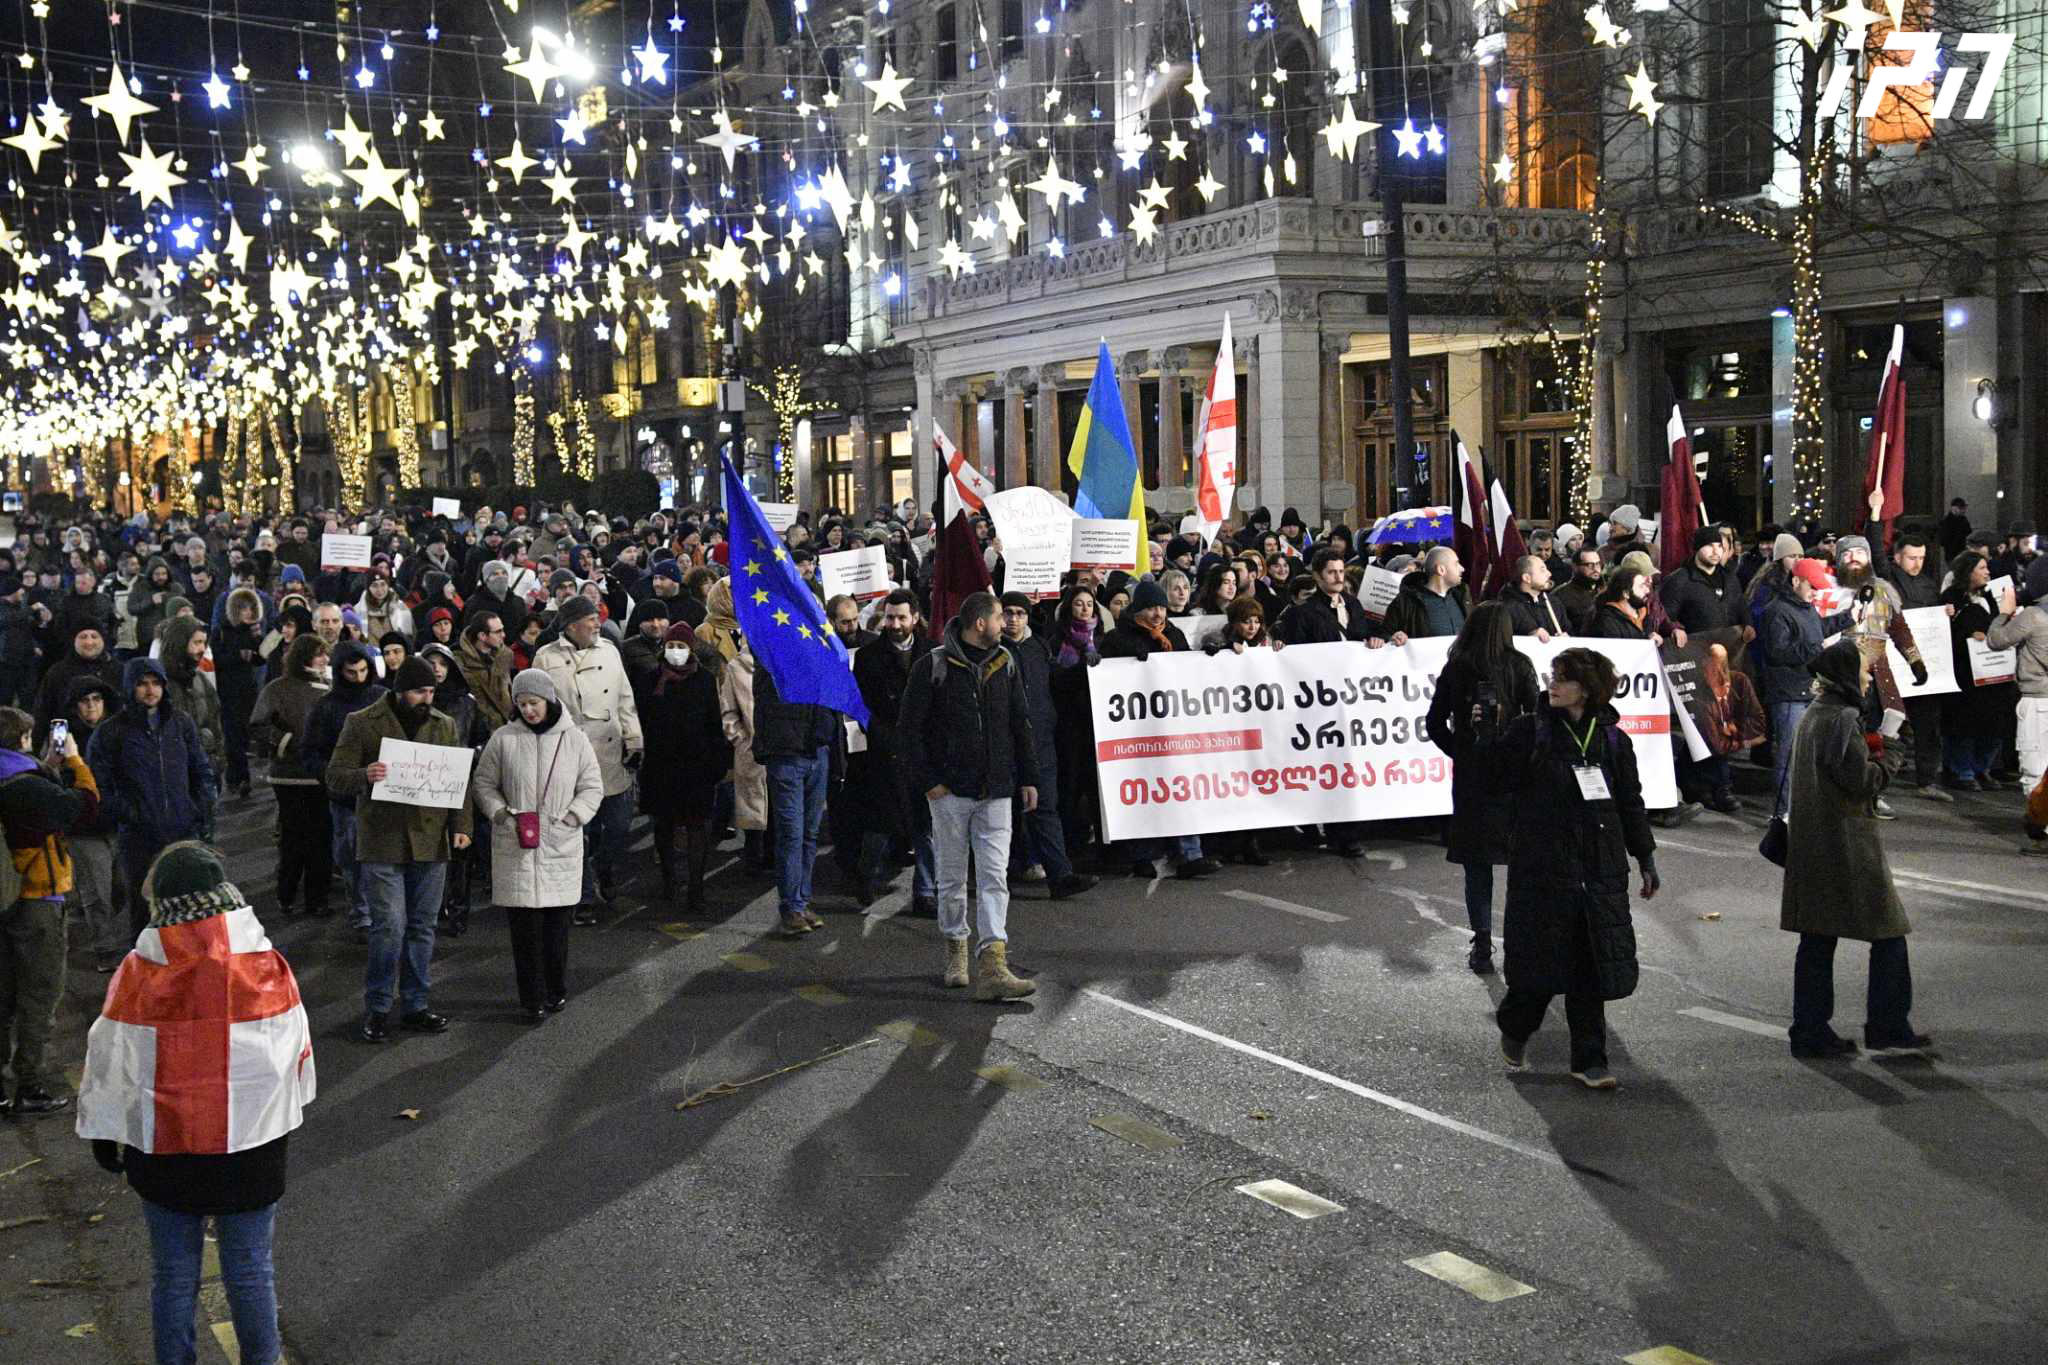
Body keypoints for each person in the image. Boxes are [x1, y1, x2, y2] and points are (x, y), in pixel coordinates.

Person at [75, 843, 312, 1365]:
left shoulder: (138, 971)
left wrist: (104, 1130)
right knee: (251, 1271)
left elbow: (110, 1055)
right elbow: (292, 1053)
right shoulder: (267, 966)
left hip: (166, 1149)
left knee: (174, 1277)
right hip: (251, 1147)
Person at [1480, 647, 1658, 1089]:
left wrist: (1645, 857)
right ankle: (1516, 1025)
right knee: (1540, 967)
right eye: (1551, 676)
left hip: (1598, 866)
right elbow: (1493, 780)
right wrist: (1484, 733)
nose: (1551, 685)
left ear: (1588, 688)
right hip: (1544, 866)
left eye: (1562, 678)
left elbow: (1630, 803)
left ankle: (1590, 1060)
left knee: (1590, 964)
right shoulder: (1530, 732)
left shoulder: (1613, 739)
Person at [1780, 641, 1928, 1058]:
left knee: (1818, 938)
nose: (1868, 679)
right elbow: (1862, 780)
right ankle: (1887, 1025)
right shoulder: (1843, 718)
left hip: (1814, 843)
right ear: (1846, 676)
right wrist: (1893, 748)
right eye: (1863, 672)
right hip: (1846, 844)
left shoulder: (1815, 714)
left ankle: (1809, 1030)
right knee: (1889, 932)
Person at [900, 593, 1040, 1000]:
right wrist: (931, 782)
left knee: (996, 876)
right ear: (980, 623)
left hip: (997, 790)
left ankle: (993, 962)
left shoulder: (1006, 662)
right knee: (952, 877)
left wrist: (1027, 776)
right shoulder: (934, 665)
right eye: (1000, 617)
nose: (1006, 623)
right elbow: (909, 732)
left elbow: (1020, 722)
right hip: (950, 794)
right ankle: (955, 951)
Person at [327, 656, 474, 1043]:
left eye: (431, 691)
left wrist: (461, 826)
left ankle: (415, 1004)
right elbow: (334, 776)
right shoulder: (361, 723)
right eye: (419, 691)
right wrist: (364, 775)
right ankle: (377, 1007)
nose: (427, 697)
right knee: (389, 927)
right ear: (399, 691)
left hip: (429, 840)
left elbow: (458, 780)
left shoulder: (444, 725)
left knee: (422, 926)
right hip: (383, 839)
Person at [471, 670, 604, 1022]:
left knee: (556, 930)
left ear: (549, 700)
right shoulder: (503, 739)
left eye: (534, 703)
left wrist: (574, 816)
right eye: (522, 704)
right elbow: (484, 784)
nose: (528, 710)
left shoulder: (574, 739)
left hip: (560, 843)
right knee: (524, 933)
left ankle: (555, 989)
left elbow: (592, 786)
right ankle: (531, 998)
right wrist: (501, 814)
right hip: (516, 843)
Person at [0, 706, 101, 1117]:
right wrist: (73, 760)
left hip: (4, 898)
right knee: (39, 995)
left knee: (3, 994)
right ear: (21, 738)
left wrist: (46, 766)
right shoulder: (27, 787)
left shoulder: (18, 779)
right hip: (37, 899)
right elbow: (86, 805)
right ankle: (31, 1084)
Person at [1427, 603, 1539, 975]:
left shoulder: (1457, 666)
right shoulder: (1519, 665)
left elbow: (1434, 721)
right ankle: (1522, 940)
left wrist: (1460, 747)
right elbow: (1537, 718)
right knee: (1520, 863)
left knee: (1478, 867)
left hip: (1473, 775)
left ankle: (1482, 940)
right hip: (1512, 776)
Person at [1098, 580, 1221, 878]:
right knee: (1144, 792)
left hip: (1174, 727)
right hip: (1137, 731)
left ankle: (1190, 854)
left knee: (1181, 788)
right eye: (1152, 608)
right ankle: (1142, 855)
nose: (1158, 614)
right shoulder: (1118, 639)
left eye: (1162, 608)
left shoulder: (1174, 634)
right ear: (1138, 609)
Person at [88, 657, 215, 942]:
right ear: (130, 687)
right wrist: (133, 814)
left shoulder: (180, 723)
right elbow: (99, 787)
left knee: (189, 907)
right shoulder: (110, 732)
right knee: (144, 911)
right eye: (142, 684)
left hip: (183, 830)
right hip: (139, 837)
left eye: (156, 683)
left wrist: (200, 808)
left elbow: (200, 768)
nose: (150, 690)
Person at [533, 595, 642, 924]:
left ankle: (602, 866)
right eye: (591, 619)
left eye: (598, 618)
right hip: (569, 755)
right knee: (578, 830)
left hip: (610, 752)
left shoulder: (610, 651)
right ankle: (583, 896)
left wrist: (634, 738)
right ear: (571, 625)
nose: (597, 624)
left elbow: (625, 698)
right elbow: (537, 707)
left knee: (619, 825)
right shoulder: (545, 658)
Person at [998, 592, 1096, 899]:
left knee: (1045, 809)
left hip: (1040, 743)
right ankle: (1000, 876)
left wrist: (1084, 669)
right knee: (1004, 815)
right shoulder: (991, 650)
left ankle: (1060, 876)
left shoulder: (1037, 646)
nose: (1013, 619)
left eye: (1019, 613)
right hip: (1004, 745)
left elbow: (1057, 681)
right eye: (1008, 613)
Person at [748, 631, 846, 937]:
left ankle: (801, 901)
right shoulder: (772, 660)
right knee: (792, 834)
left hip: (817, 751)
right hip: (788, 756)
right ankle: (790, 906)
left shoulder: (820, 655)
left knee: (809, 834)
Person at [849, 590, 938, 914]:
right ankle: (867, 877)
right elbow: (862, 708)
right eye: (890, 617)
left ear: (915, 618)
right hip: (885, 753)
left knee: (926, 827)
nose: (895, 624)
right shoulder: (869, 656)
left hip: (923, 754)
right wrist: (884, 737)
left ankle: (925, 892)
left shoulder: (932, 653)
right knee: (881, 825)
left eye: (901, 617)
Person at [634, 623, 729, 910]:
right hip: (661, 767)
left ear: (691, 649)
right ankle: (668, 881)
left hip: (696, 767)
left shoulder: (704, 680)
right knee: (663, 825)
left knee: (697, 826)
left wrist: (717, 763)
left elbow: (714, 724)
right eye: (671, 646)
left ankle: (696, 887)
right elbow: (642, 720)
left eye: (681, 647)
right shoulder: (651, 680)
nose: (675, 652)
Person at [301, 641, 385, 939]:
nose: (359, 677)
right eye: (352, 672)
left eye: (364, 671)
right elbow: (310, 753)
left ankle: (378, 913)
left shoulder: (382, 699)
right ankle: (362, 914)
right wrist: (334, 777)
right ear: (340, 672)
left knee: (381, 860)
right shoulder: (326, 707)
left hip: (382, 795)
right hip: (346, 799)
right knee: (352, 859)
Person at [250, 635, 335, 918]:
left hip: (321, 775)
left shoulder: (330, 689)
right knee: (293, 838)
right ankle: (286, 893)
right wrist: (286, 741)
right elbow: (258, 726)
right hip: (289, 776)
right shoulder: (277, 689)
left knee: (321, 838)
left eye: (325, 654)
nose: (324, 660)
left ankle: (317, 898)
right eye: (318, 654)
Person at [1761, 560, 1854, 818]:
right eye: (1812, 586)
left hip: (1806, 690)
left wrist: (1847, 618)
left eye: (1818, 587)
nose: (1816, 592)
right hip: (1788, 694)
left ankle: (1799, 809)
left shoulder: (1805, 608)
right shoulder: (1777, 611)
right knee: (1789, 754)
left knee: (1804, 755)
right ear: (1795, 581)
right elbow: (1779, 652)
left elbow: (1818, 630)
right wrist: (1818, 650)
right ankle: (1783, 813)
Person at [60, 676, 126, 971]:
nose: (91, 707)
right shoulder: (65, 739)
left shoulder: (118, 732)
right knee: (97, 892)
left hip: (116, 822)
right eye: (85, 702)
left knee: (120, 887)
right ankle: (105, 948)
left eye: (96, 700)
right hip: (84, 828)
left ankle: (80, 913)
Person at [1940, 552, 2017, 791]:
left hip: (1994, 671)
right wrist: (1967, 634)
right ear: (1968, 570)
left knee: (1993, 723)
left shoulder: (1991, 596)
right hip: (1965, 673)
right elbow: (1944, 633)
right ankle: (1961, 771)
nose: (1987, 572)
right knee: (1963, 724)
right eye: (1981, 567)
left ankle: (1980, 768)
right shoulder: (1951, 597)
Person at [214, 586, 267, 801]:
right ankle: (239, 776)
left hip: (248, 689)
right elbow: (217, 659)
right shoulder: (221, 631)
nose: (248, 612)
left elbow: (260, 659)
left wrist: (259, 642)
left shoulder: (253, 630)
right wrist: (238, 656)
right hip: (228, 689)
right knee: (233, 734)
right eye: (243, 608)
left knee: (245, 734)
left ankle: (239, 775)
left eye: (250, 607)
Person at [1378, 546, 1467, 644]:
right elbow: (1383, 635)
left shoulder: (1461, 597)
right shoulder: (1405, 602)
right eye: (1456, 564)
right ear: (1441, 570)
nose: (1462, 569)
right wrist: (1394, 637)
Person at [1499, 554, 1567, 639]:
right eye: (1542, 570)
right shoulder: (1507, 608)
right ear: (1527, 578)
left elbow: (1568, 630)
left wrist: (1567, 638)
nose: (1549, 574)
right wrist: (1529, 637)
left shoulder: (1554, 603)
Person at [1552, 544, 1604, 635]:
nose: (1596, 569)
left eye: (1597, 564)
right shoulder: (1561, 595)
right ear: (1575, 567)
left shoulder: (1606, 590)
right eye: (1589, 565)